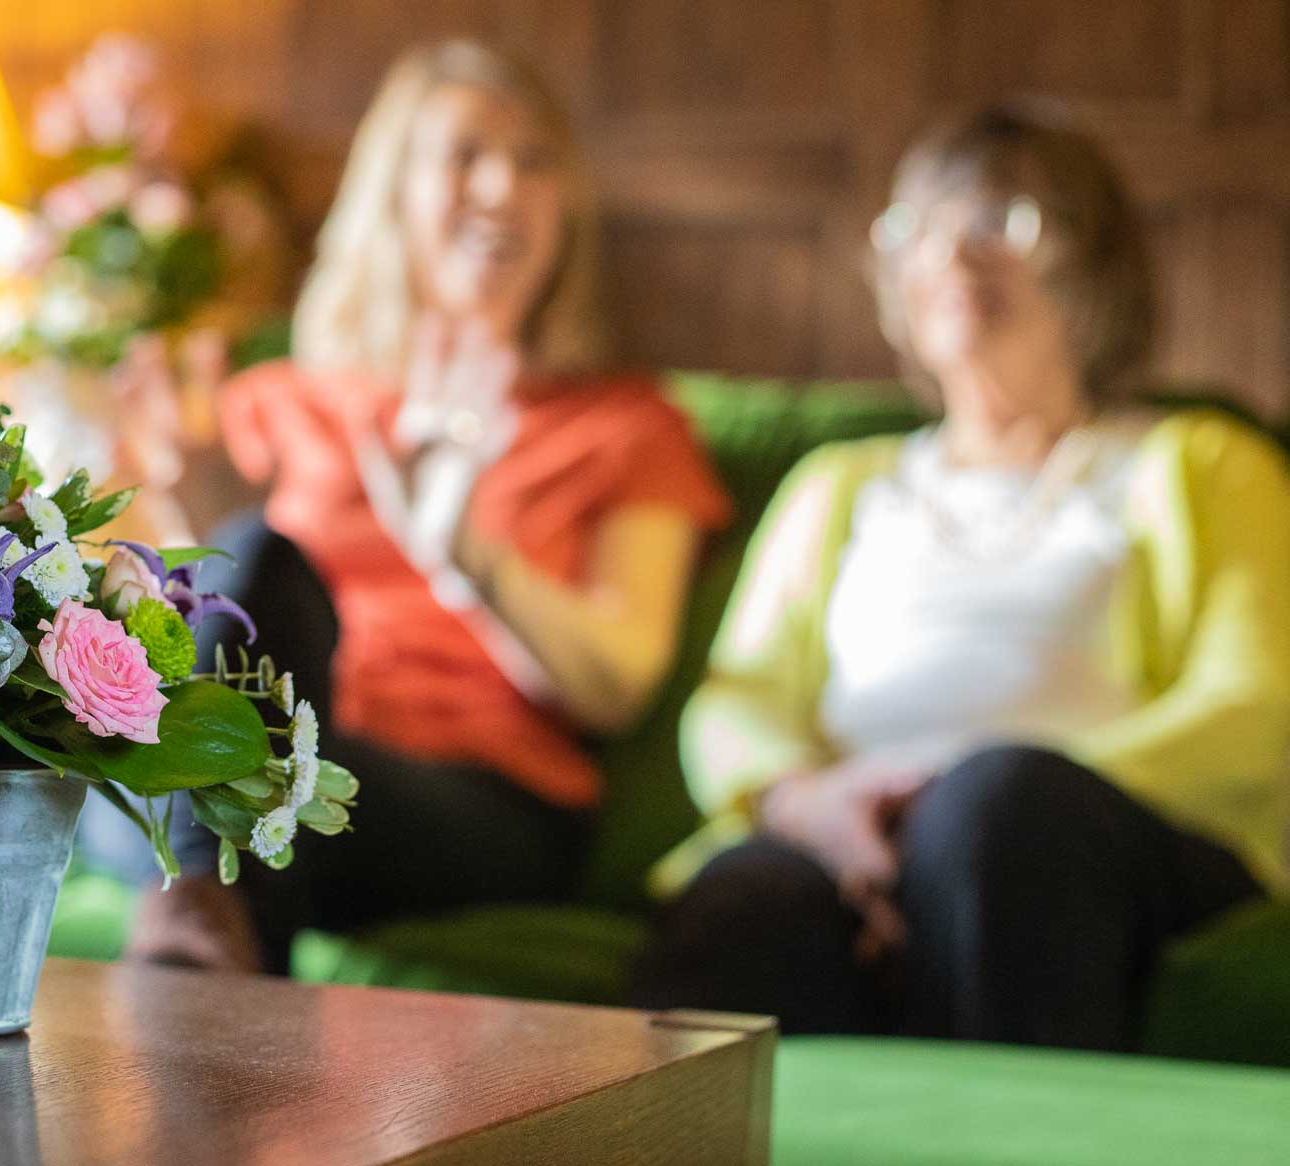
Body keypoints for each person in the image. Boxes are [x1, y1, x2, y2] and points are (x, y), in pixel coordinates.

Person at [629, 103, 1290, 1051]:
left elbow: (1251, 709)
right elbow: (737, 703)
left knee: (1001, 810)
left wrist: (951, 806)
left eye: (1003, 221)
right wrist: (813, 808)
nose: (954, 253)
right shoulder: (839, 485)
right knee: (749, 898)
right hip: (843, 836)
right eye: (924, 227)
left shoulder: (1203, 463)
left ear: (1095, 261)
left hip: (1098, 840)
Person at [85, 39, 731, 972]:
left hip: (472, 798)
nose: (503, 186)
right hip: (268, 753)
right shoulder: (289, 396)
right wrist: (139, 489)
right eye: (466, 154)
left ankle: (193, 899)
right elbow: (201, 597)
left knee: (218, 796)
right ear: (396, 192)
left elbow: (617, 685)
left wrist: (468, 554)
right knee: (258, 568)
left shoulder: (627, 428)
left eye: (535, 160)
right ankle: (208, 902)